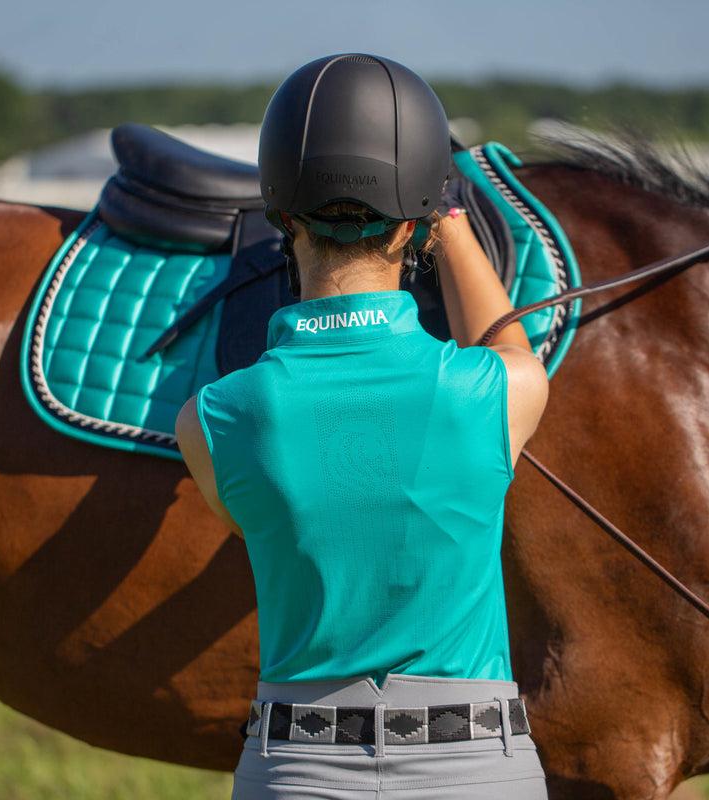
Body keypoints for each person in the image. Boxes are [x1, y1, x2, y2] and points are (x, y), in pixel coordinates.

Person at [176, 53, 549, 799]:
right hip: (474, 764)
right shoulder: (495, 389)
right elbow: (508, 340)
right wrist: (447, 219)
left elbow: (254, 524)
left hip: (296, 767)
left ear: (281, 216)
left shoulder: (212, 419)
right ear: (412, 222)